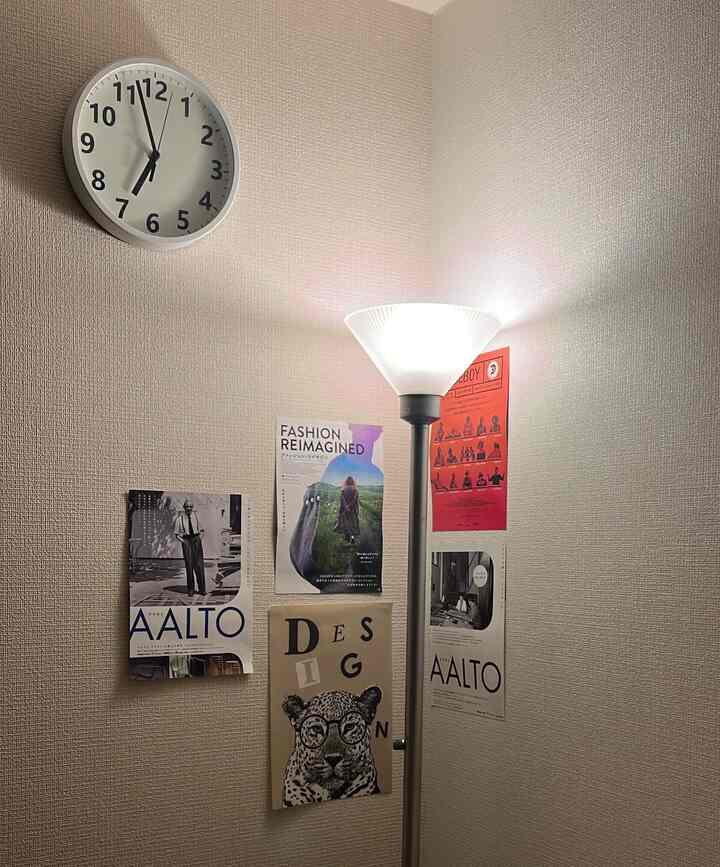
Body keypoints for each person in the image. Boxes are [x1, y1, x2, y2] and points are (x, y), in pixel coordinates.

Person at [174, 499, 206, 596]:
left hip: (196, 540)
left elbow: (202, 530)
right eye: (187, 507)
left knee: (199, 565)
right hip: (187, 541)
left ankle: (202, 589)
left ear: (192, 507)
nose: (189, 508)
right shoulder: (179, 519)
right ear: (184, 508)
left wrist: (200, 539)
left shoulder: (196, 516)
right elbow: (176, 534)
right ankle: (191, 589)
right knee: (189, 565)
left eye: (190, 507)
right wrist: (183, 542)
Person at [335, 476, 360, 543]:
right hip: (352, 510)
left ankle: (347, 538)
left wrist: (345, 507)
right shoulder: (355, 491)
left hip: (345, 510)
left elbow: (342, 501)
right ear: (353, 482)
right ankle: (352, 539)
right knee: (352, 524)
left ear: (346, 482)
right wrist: (356, 510)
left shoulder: (343, 490)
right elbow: (355, 501)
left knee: (346, 524)